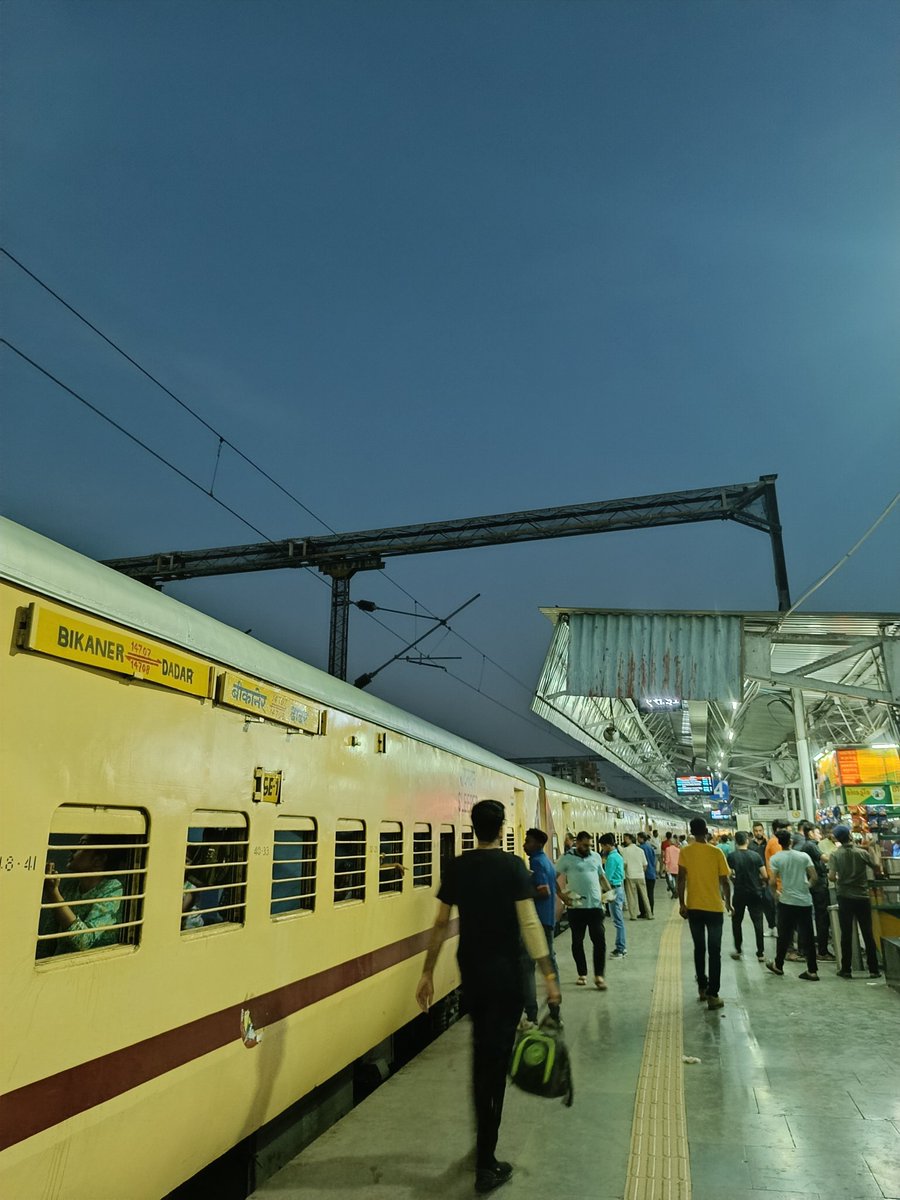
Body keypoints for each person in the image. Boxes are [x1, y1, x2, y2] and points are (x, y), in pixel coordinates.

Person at [416, 799, 560, 1195]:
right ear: (501, 829)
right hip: (509, 977)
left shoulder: (459, 867)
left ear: (473, 827)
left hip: (473, 976)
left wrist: (427, 972)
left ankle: (482, 1148)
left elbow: (441, 924)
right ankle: (486, 1163)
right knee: (496, 1065)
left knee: (482, 1058)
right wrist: (548, 975)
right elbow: (530, 923)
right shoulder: (514, 867)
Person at [38, 835, 126, 957]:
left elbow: (84, 941)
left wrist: (54, 895)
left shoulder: (112, 888)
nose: (73, 849)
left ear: (99, 860)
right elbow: (49, 938)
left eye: (83, 845)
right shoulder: (71, 886)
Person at [678, 817, 732, 1010]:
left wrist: (682, 904)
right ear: (707, 832)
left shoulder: (685, 852)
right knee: (714, 951)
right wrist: (729, 903)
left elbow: (681, 880)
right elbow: (725, 881)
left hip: (694, 908)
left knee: (699, 949)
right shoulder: (716, 852)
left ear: (692, 832)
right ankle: (713, 994)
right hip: (714, 908)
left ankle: (702, 987)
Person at [555, 830, 610, 989]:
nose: (588, 848)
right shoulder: (566, 859)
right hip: (576, 907)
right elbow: (552, 877)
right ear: (577, 842)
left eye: (590, 845)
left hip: (595, 906)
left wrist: (609, 891)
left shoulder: (596, 857)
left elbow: (601, 876)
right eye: (585, 845)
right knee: (577, 942)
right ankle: (582, 974)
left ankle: (599, 976)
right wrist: (562, 896)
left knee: (599, 941)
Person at [829, 824, 883, 980]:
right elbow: (877, 866)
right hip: (862, 897)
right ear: (850, 836)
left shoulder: (835, 855)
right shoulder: (861, 853)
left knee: (846, 934)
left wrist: (841, 878)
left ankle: (846, 969)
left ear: (838, 839)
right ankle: (874, 969)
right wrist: (873, 848)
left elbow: (832, 877)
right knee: (867, 932)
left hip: (845, 897)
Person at [765, 831, 819, 981]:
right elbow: (814, 877)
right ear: (791, 842)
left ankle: (778, 965)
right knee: (808, 936)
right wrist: (807, 886)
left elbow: (772, 881)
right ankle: (812, 970)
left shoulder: (776, 859)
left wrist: (775, 894)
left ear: (780, 843)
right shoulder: (803, 857)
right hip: (804, 902)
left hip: (786, 901)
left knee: (784, 935)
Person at [521, 827, 560, 1024]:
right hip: (548, 919)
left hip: (538, 921)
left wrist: (523, 893)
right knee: (550, 963)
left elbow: (544, 891)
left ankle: (532, 1015)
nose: (524, 845)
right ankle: (555, 1011)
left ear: (536, 843)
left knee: (528, 967)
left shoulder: (536, 862)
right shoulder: (546, 861)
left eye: (527, 841)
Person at [795, 821, 833, 962]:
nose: (820, 835)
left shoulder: (809, 846)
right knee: (822, 918)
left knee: (808, 917)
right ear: (810, 833)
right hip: (817, 886)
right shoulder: (810, 846)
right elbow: (825, 858)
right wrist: (839, 851)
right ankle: (822, 951)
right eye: (818, 832)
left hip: (813, 885)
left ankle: (804, 949)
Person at [727, 832, 767, 961]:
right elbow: (765, 875)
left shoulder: (732, 856)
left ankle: (738, 950)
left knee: (736, 921)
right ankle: (760, 953)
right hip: (755, 892)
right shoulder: (755, 856)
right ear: (747, 841)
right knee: (758, 922)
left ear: (735, 841)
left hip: (739, 893)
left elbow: (730, 874)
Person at [598, 834, 627, 957]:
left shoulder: (611, 858)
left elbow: (607, 877)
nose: (602, 849)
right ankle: (621, 947)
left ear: (607, 845)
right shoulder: (618, 856)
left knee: (618, 921)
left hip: (613, 890)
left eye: (602, 846)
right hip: (619, 888)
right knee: (618, 920)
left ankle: (621, 948)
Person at [621, 833, 652, 919]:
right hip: (640, 876)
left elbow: (624, 864)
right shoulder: (640, 850)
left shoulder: (625, 851)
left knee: (631, 897)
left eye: (625, 839)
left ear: (630, 839)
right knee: (645, 896)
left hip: (630, 876)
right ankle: (649, 914)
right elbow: (645, 865)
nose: (624, 840)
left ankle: (633, 915)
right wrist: (641, 872)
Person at [637, 831, 657, 914]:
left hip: (644, 874)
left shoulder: (640, 849)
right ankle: (650, 911)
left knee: (642, 895)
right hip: (652, 874)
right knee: (650, 894)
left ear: (641, 838)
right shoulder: (650, 847)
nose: (637, 839)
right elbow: (654, 861)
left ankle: (643, 912)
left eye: (638, 837)